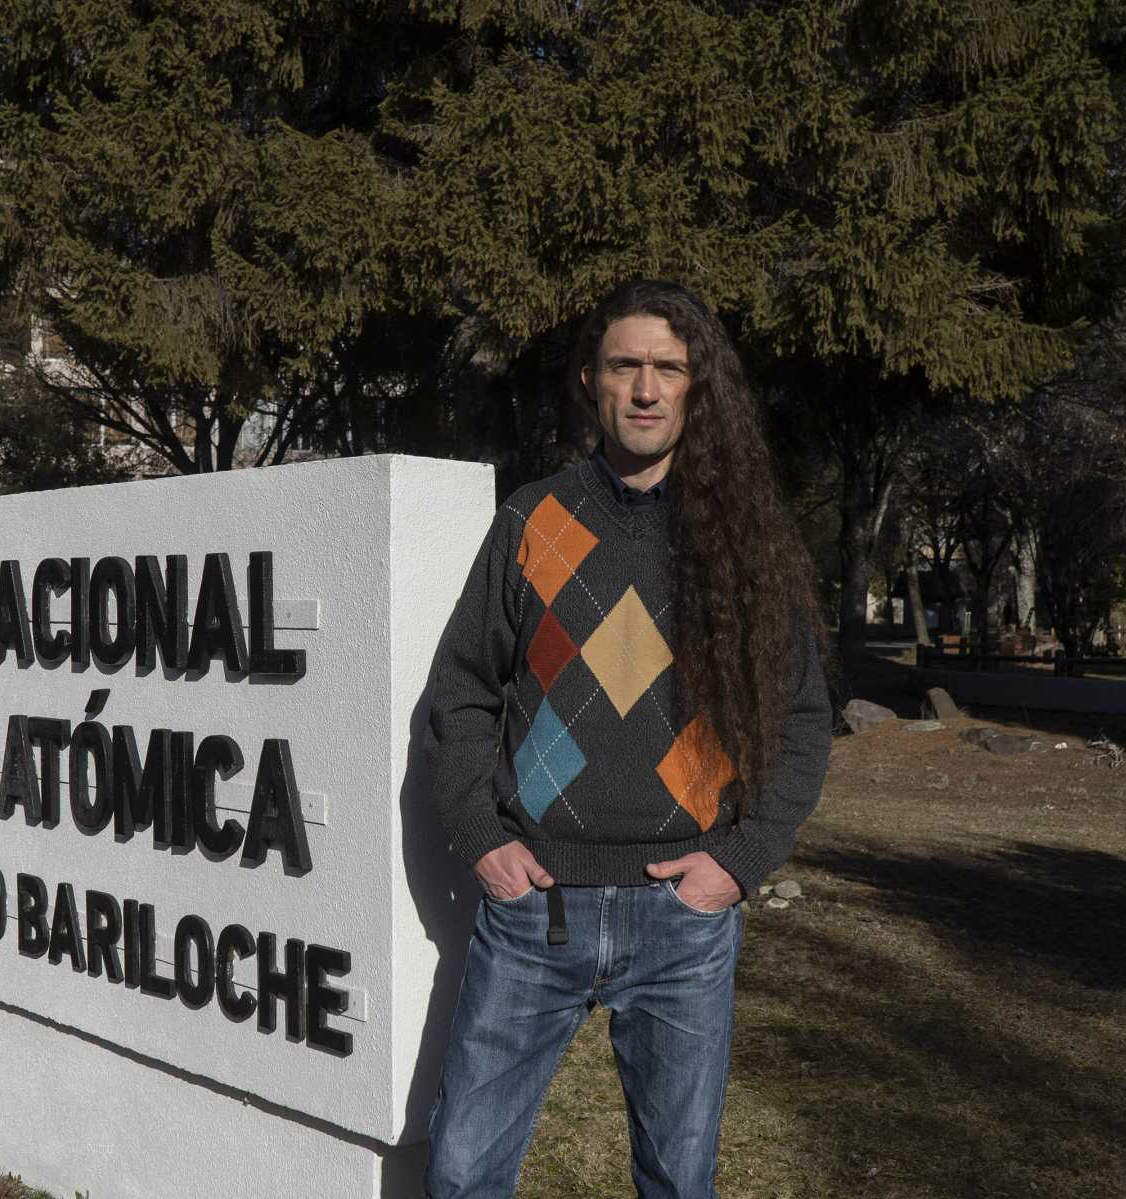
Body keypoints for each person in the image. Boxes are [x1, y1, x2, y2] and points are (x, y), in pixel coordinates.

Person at [423, 279, 833, 1198]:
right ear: (590, 380)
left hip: (680, 919)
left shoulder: (742, 536)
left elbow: (803, 720)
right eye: (625, 366)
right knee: (459, 1172)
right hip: (536, 910)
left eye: (667, 368)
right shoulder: (534, 520)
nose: (645, 388)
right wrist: (482, 837)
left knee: (678, 1180)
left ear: (696, 387)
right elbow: (462, 693)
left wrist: (739, 860)